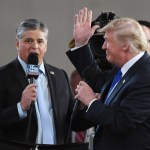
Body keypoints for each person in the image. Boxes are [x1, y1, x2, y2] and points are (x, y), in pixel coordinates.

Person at [66, 7, 150, 150]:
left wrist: (91, 101)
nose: (103, 46)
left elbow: (123, 122)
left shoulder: (146, 76)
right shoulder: (124, 68)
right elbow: (96, 79)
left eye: (107, 41)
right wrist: (81, 43)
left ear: (125, 45)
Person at [0, 19, 74, 145]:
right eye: (28, 41)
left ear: (46, 46)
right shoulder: (3, 75)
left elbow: (74, 120)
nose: (35, 46)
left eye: (40, 41)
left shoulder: (60, 76)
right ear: (17, 44)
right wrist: (20, 107)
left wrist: (89, 105)